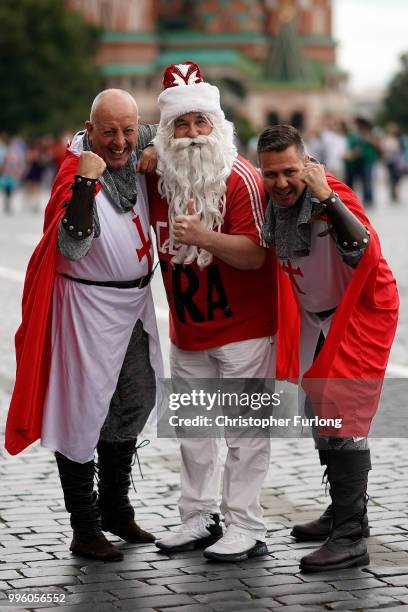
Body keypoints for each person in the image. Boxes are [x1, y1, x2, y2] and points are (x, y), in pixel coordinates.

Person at [5, 89, 163, 562]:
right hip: (88, 308)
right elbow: (72, 246)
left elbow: (196, 129)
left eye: (129, 131)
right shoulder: (77, 171)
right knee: (82, 411)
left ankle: (116, 508)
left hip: (133, 304)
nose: (120, 142)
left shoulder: (138, 148)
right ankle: (85, 526)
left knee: (132, 401)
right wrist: (83, 186)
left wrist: (158, 146)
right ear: (89, 129)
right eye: (109, 132)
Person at [146, 61, 277, 562]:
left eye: (202, 123)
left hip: (244, 330)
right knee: (194, 433)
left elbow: (255, 254)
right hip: (188, 330)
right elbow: (99, 141)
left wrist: (203, 237)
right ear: (167, 131)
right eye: (182, 124)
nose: (194, 134)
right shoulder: (156, 178)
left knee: (246, 433)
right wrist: (145, 150)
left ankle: (247, 524)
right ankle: (197, 517)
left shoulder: (240, 178)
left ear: (219, 127)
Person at [258, 124, 399, 572]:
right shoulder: (272, 203)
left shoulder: (330, 193)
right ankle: (342, 511)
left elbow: (364, 251)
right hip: (316, 316)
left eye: (290, 172)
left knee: (342, 410)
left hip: (360, 310)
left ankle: (351, 535)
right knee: (318, 407)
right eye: (272, 174)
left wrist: (327, 199)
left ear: (307, 165)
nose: (281, 183)